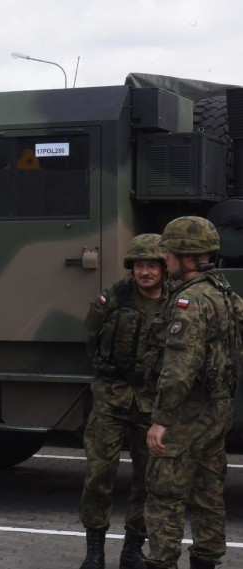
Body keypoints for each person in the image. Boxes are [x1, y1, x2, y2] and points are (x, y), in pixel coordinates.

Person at [144, 217, 241, 569]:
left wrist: (161, 420)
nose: (163, 260)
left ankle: (162, 560)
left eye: (168, 254)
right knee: (208, 494)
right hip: (217, 411)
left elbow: (180, 366)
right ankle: (206, 560)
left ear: (187, 258)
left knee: (165, 494)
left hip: (187, 411)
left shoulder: (190, 301)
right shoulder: (225, 293)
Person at [78, 234, 169, 569]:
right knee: (99, 474)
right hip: (111, 398)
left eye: (152, 265)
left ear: (163, 267)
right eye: (140, 265)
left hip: (151, 404)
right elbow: (92, 337)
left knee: (148, 480)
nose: (145, 272)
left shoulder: (175, 301)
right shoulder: (114, 297)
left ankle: (132, 550)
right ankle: (94, 551)